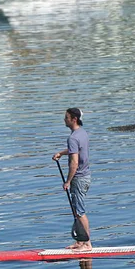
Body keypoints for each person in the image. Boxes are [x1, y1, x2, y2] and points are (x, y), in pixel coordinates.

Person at [52, 107, 92, 251]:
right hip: (85, 176)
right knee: (77, 210)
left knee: (80, 212)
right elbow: (75, 150)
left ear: (74, 119)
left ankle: (87, 244)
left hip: (79, 178)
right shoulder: (82, 133)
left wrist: (68, 181)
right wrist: (62, 153)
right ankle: (80, 242)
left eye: (66, 117)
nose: (64, 119)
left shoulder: (73, 137)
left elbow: (74, 162)